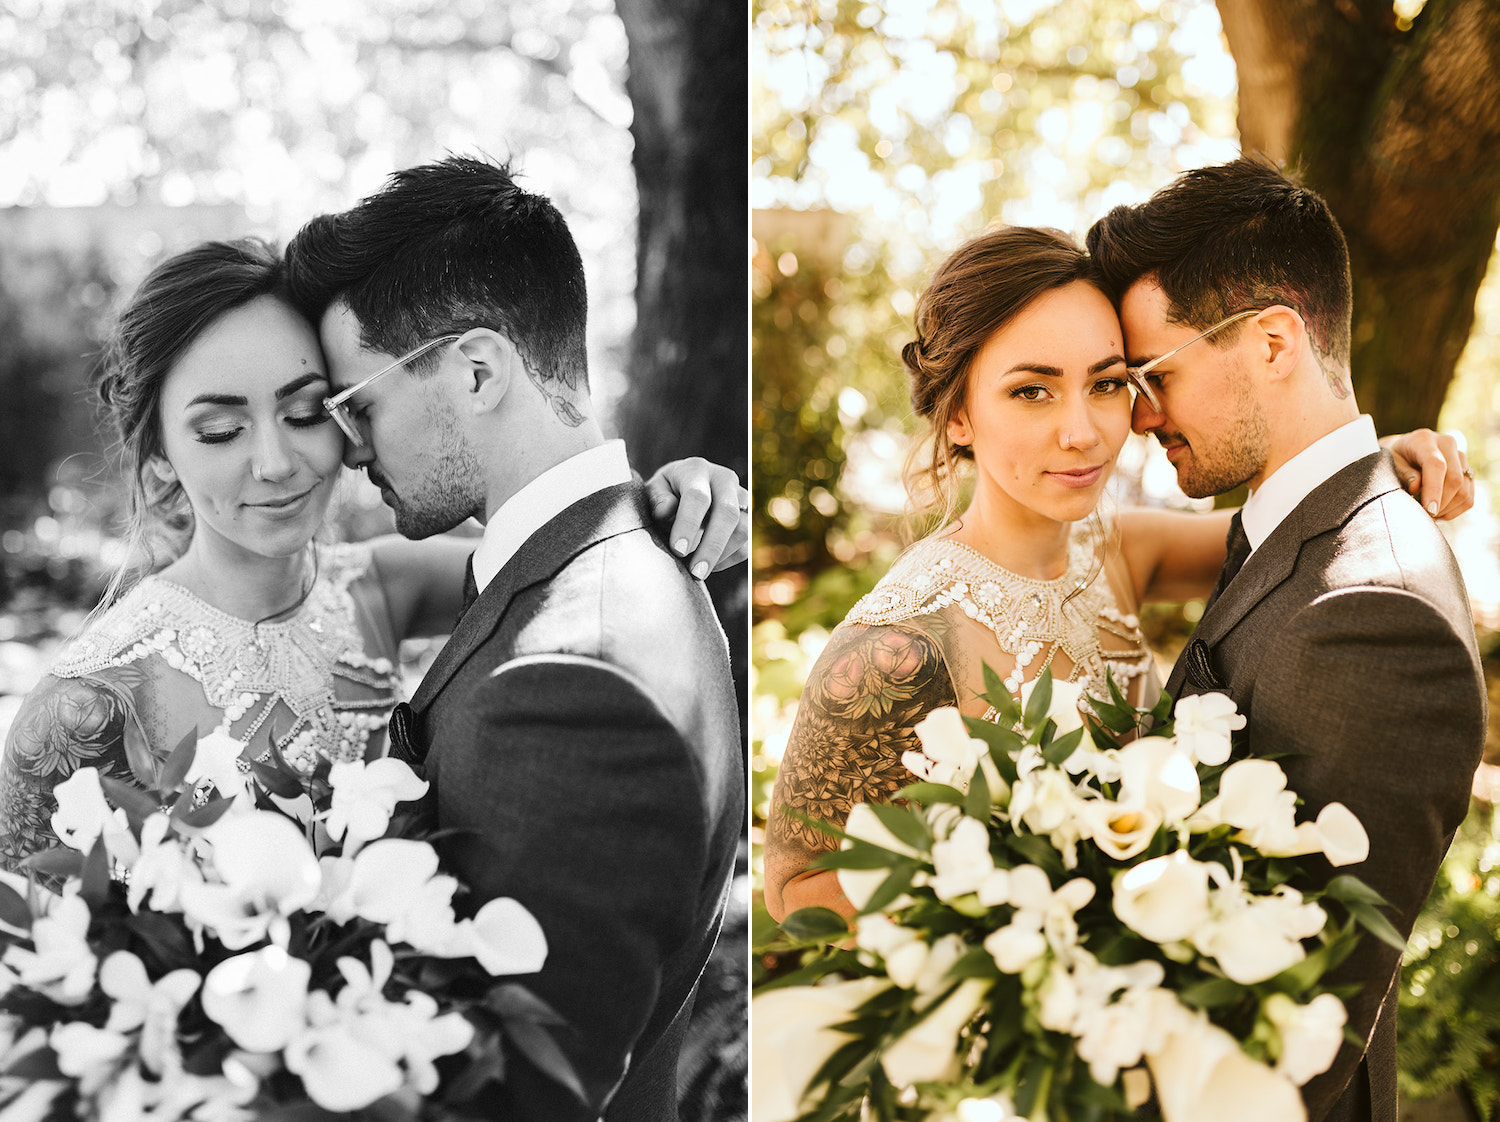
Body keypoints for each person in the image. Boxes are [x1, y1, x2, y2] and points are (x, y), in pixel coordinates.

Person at [762, 223, 1468, 928]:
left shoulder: (1121, 548)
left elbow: (1297, 534)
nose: (1084, 431)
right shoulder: (898, 648)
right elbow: (797, 892)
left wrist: (1382, 457)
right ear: (957, 416)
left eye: (1105, 384)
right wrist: (1019, 908)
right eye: (1032, 392)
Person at [0, 237, 747, 869]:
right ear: (160, 457)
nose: (277, 463)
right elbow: (35, 982)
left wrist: (670, 494)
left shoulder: (382, 585)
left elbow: (568, 549)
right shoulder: (81, 709)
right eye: (221, 431)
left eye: (304, 413)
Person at [281, 156, 744, 1122]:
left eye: (356, 406)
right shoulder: (612, 558)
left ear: (479, 370)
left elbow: (516, 1094)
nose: (351, 452)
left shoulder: (576, 678)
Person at [1085, 156, 1485, 1122]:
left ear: (1273, 342)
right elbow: (1119, 552)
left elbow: (1283, 1028)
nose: (1137, 420)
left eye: (1154, 376)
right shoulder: (1294, 526)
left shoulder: (1374, 613)